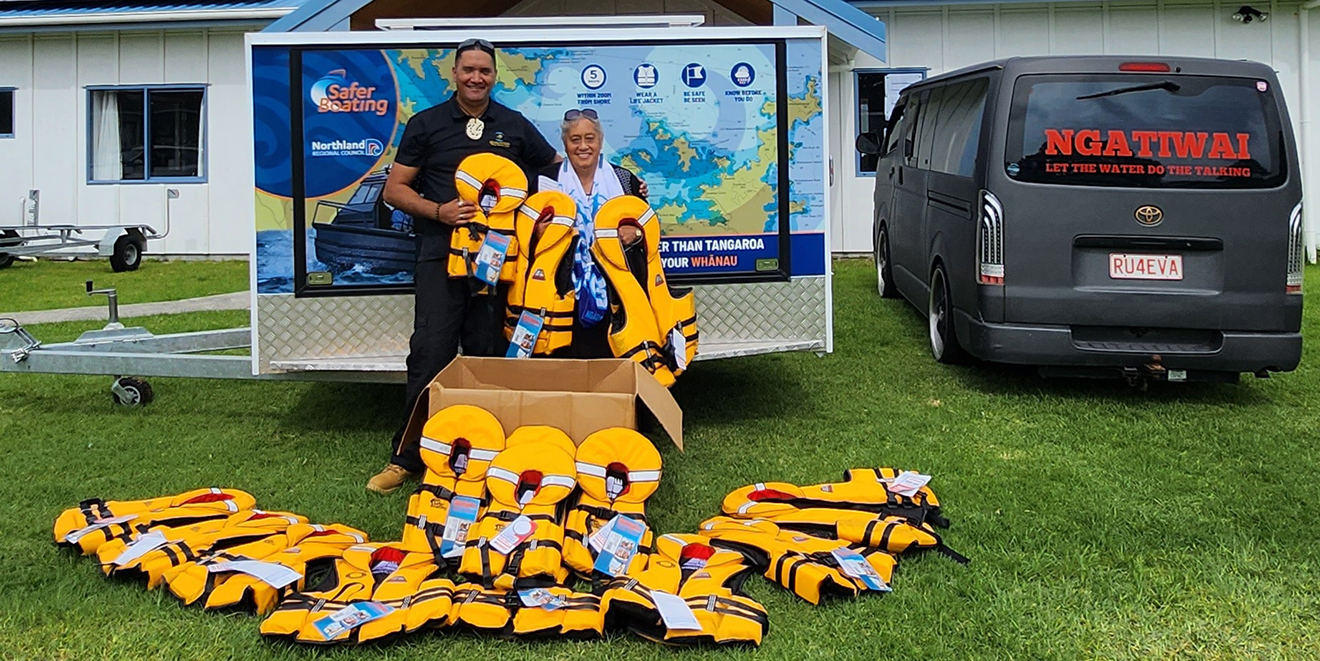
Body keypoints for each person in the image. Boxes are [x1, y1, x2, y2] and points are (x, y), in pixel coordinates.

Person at [367, 38, 559, 495]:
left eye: (485, 71)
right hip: (439, 257)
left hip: (499, 265)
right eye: (468, 69)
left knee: (488, 357)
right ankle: (406, 458)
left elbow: (556, 171)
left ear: (495, 76)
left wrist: (616, 186)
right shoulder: (426, 124)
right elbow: (395, 190)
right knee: (431, 355)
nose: (477, 78)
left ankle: (489, 455)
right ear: (454, 73)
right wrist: (440, 212)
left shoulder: (513, 125)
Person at [534, 108, 648, 358]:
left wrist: (635, 233)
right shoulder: (544, 180)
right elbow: (526, 233)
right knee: (565, 362)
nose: (583, 146)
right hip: (562, 288)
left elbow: (647, 232)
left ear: (600, 141)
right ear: (565, 143)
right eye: (575, 139)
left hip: (615, 290)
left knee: (611, 360)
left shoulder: (624, 179)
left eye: (590, 138)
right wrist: (538, 231)